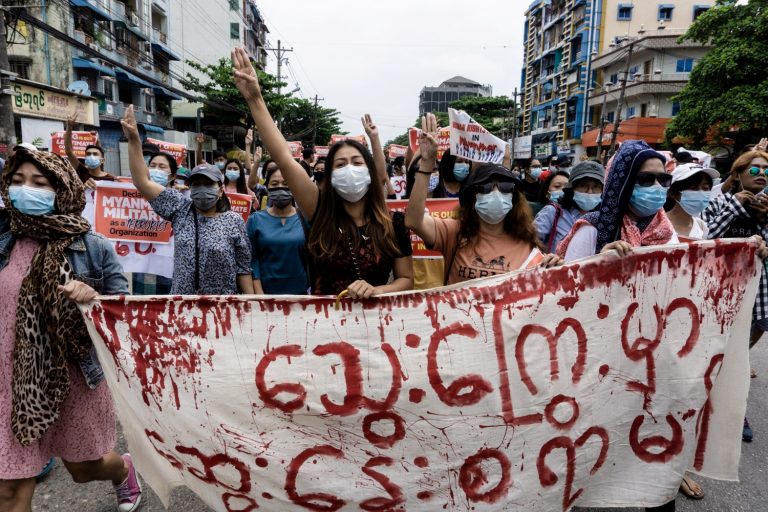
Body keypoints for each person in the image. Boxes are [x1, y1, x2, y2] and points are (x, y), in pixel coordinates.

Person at [0, 150, 141, 512]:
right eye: (16, 181)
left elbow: (122, 307)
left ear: (62, 188)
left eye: (39, 183)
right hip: (9, 382)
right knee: (9, 489)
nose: (24, 189)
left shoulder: (92, 247)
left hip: (74, 376)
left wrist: (93, 297)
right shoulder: (4, 237)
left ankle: (122, 470)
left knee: (84, 468)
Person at [233, 47, 413, 298]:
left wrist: (378, 290)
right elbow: (284, 158)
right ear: (329, 177)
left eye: (357, 163)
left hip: (376, 328)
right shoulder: (319, 214)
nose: (349, 169)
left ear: (370, 173)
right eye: (340, 165)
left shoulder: (393, 225)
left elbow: (406, 279)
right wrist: (255, 99)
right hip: (322, 329)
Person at [405, 114, 561, 286]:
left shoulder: (527, 244)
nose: (496, 193)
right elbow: (413, 221)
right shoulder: (454, 233)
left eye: (505, 187)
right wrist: (427, 165)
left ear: (514, 197)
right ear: (473, 197)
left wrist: (555, 267)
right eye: (486, 187)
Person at [121, 105, 254, 295]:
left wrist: (252, 306)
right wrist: (133, 139)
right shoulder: (180, 209)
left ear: (220, 190)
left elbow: (243, 268)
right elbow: (142, 182)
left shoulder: (233, 221)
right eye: (196, 184)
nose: (201, 189)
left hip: (222, 309)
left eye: (208, 185)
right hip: (183, 306)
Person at [703, 149, 768, 443]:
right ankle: (706, 401)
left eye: (766, 170)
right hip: (717, 291)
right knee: (714, 350)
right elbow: (707, 239)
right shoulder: (720, 202)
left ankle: (733, 409)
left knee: (739, 354)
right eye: (754, 170)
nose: (762, 174)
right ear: (739, 175)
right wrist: (736, 208)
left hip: (755, 294)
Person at [557, 140, 681, 262]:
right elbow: (570, 279)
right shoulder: (592, 229)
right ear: (622, 183)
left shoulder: (666, 230)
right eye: (646, 179)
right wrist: (600, 264)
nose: (657, 186)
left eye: (663, 179)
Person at [247, 165, 309, 294]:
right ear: (267, 187)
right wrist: (259, 295)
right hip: (265, 295)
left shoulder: (306, 219)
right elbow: (252, 259)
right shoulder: (255, 220)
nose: (280, 187)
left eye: (286, 183)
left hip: (302, 295)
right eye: (274, 184)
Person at [535, 162, 604, 253]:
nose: (590, 191)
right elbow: (529, 244)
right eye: (583, 185)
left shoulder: (604, 217)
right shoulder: (553, 211)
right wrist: (545, 260)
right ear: (572, 189)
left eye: (596, 186)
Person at [666, 163, 718, 241]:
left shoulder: (701, 227)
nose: (701, 193)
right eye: (693, 188)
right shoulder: (658, 224)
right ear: (673, 193)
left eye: (705, 188)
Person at [64, 114, 115, 185]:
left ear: (102, 160)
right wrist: (69, 127)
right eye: (88, 154)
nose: (91, 156)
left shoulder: (111, 179)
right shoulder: (82, 171)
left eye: (95, 154)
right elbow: (69, 151)